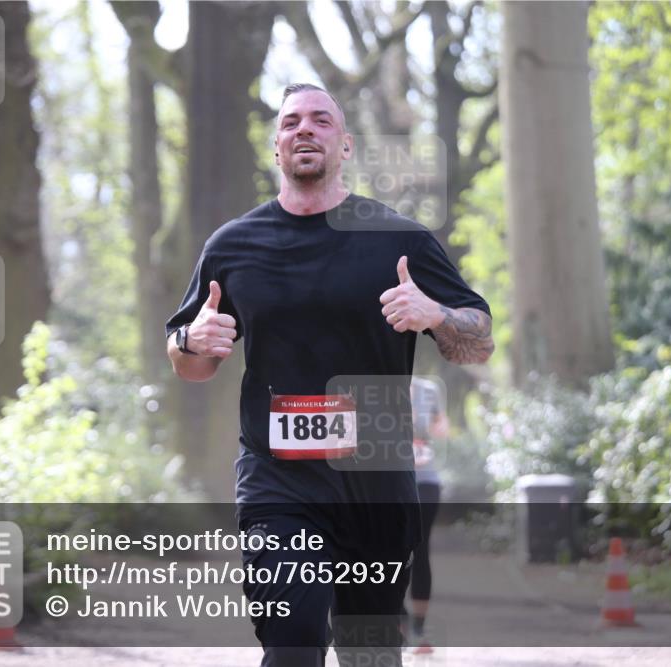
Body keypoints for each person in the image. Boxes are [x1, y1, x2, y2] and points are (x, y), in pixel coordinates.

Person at [165, 82, 493, 667]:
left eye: (320, 121)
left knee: (370, 654)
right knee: (293, 649)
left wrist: (437, 315)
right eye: (291, 122)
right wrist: (191, 341)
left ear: (344, 145)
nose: (304, 130)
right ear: (276, 147)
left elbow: (479, 343)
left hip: (377, 483)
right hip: (277, 483)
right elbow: (192, 366)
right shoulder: (232, 246)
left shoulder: (399, 240)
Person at [404, 377, 447, 655]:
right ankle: (397, 623)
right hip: (383, 481)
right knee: (385, 550)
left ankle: (419, 628)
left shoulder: (428, 390)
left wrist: (427, 423)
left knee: (420, 550)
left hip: (424, 480)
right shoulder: (369, 387)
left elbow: (442, 430)